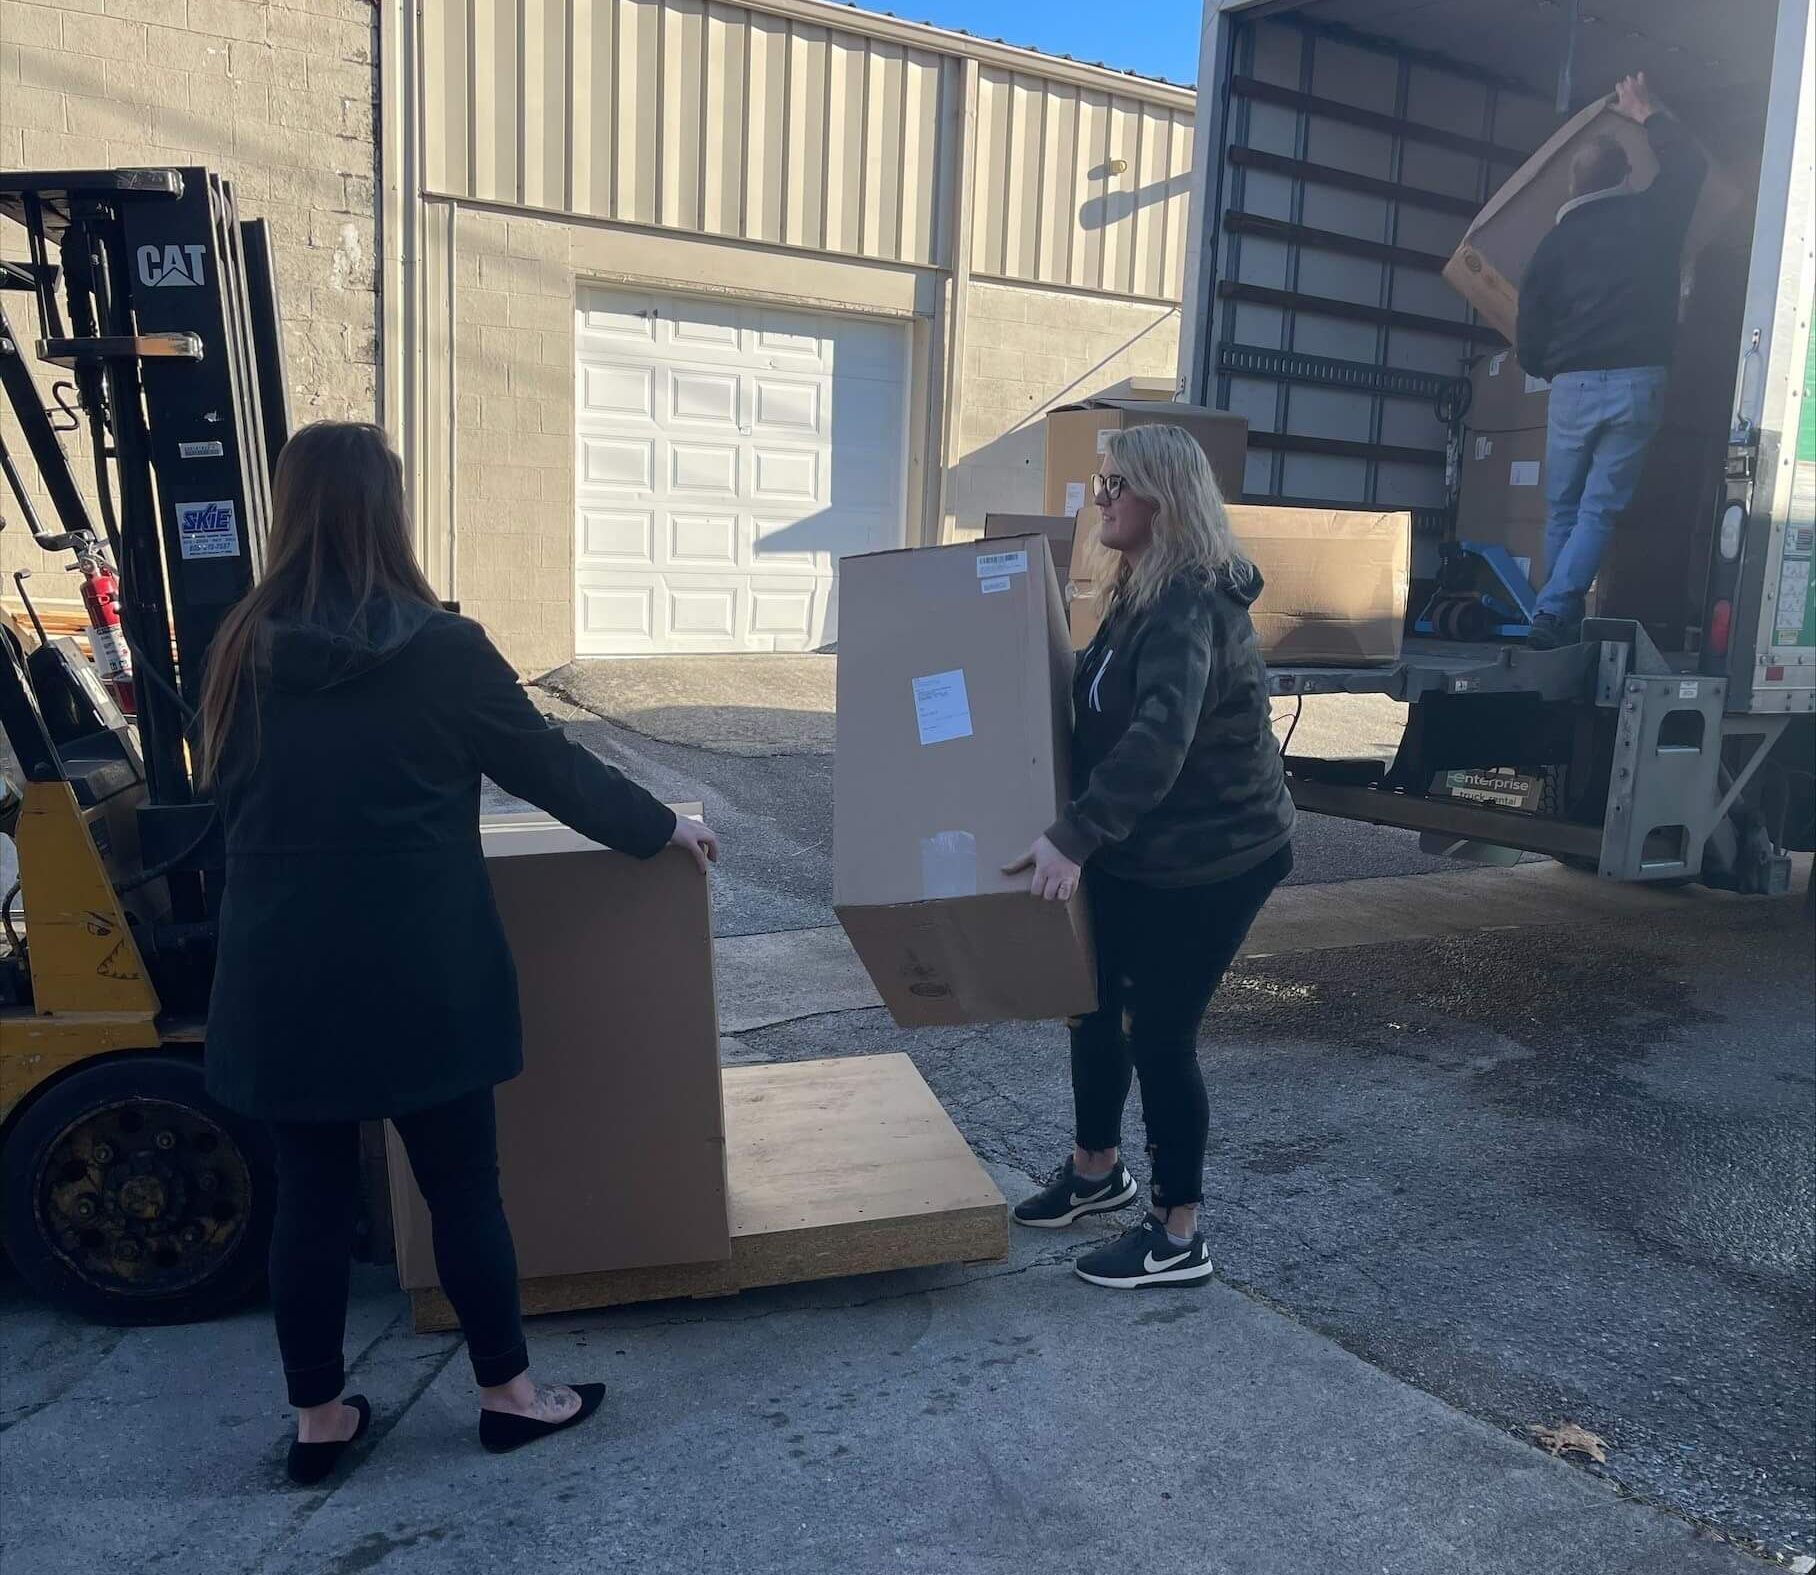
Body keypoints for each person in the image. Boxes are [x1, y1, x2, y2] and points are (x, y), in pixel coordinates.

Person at [197, 422, 720, 1485]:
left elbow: (223, 796)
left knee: (308, 1199)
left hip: (281, 971)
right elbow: (544, 765)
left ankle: (317, 1420)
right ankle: (508, 1396)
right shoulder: (440, 646)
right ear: (390, 511)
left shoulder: (240, 645)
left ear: (286, 509)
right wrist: (655, 825)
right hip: (421, 969)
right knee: (462, 1188)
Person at [1003, 424, 1294, 1290]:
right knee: (1090, 1003)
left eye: (1113, 486)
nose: (1099, 500)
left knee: (1161, 1032)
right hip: (1146, 846)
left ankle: (1178, 1231)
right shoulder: (1140, 585)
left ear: (1161, 499)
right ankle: (1098, 1171)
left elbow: (1160, 739)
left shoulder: (1187, 603)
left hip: (1216, 855)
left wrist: (1074, 836)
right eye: (1099, 485)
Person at [1515, 71, 1708, 650]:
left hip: (1572, 384)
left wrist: (1548, 367)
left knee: (1563, 508)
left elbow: (1530, 326)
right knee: (1599, 508)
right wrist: (1644, 111)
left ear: (1573, 187)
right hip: (1636, 381)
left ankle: (1553, 612)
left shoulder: (1554, 244)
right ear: (1626, 177)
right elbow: (1691, 167)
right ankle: (1554, 613)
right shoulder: (1653, 217)